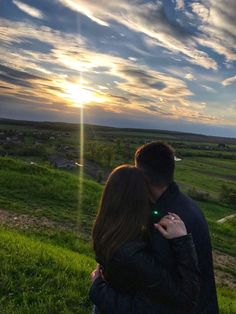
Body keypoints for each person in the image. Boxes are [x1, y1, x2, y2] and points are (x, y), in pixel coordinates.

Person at [90, 141, 219, 314]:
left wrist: (98, 289)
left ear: (143, 177)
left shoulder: (164, 224)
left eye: (136, 171)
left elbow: (162, 300)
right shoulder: (185, 205)